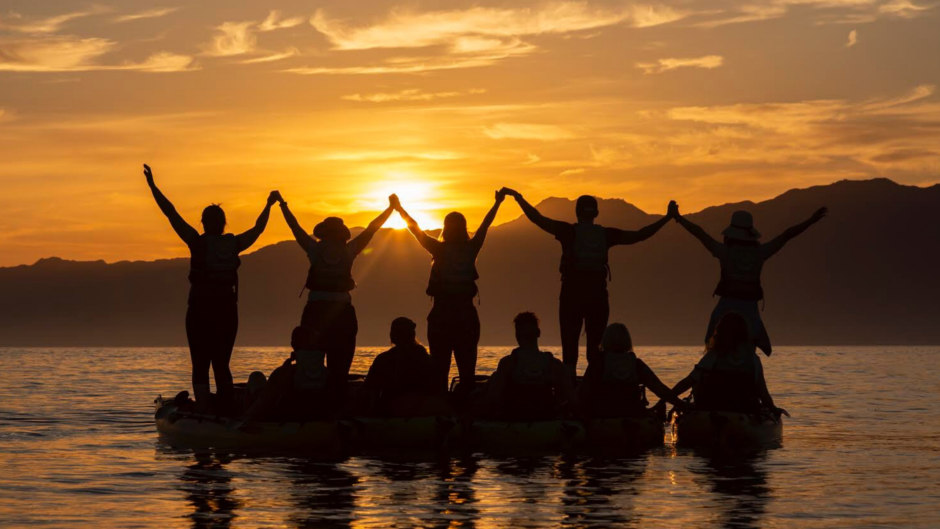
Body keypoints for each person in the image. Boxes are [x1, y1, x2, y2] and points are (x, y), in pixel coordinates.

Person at [144, 163, 277, 410]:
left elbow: (170, 213)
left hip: (200, 311)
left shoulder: (196, 242)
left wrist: (153, 186)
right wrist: (268, 205)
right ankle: (225, 406)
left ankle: (205, 406)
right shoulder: (233, 243)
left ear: (204, 222)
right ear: (223, 223)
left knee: (200, 363)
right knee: (221, 363)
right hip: (227, 311)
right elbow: (258, 229)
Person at [501, 188, 676, 374]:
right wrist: (667, 218)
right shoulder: (606, 235)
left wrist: (519, 199)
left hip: (571, 295)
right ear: (597, 213)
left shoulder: (568, 231)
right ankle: (594, 390)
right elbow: (639, 235)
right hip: (597, 296)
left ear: (576, 212)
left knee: (570, 349)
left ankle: (570, 394)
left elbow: (537, 218)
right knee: (595, 352)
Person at [276, 193, 396, 390]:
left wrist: (282, 205)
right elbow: (372, 229)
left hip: (316, 311)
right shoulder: (349, 250)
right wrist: (390, 208)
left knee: (310, 364)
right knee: (339, 367)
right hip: (342, 312)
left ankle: (313, 405)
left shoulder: (314, 249)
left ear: (323, 234)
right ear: (341, 235)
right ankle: (335, 406)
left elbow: (294, 227)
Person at [674, 205, 827, 355]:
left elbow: (700, 234)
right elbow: (786, 235)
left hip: (726, 305)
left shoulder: (724, 251)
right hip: (750, 309)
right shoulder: (760, 252)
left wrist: (679, 218)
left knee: (710, 341)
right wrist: (810, 221)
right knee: (758, 346)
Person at [395, 191, 506, 392]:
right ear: (464, 228)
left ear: (445, 229)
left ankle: (442, 410)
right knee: (467, 372)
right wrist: (497, 203)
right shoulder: (471, 248)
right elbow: (485, 225)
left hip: (441, 317)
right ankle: (465, 413)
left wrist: (399, 208)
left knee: (439, 370)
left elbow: (414, 229)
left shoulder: (438, 249)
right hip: (465, 317)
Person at [669, 313, 787, 416]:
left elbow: (689, 381)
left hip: (711, 407)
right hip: (743, 409)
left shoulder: (713, 356)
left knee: (699, 379)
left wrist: (665, 400)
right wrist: (773, 410)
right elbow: (763, 393)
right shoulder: (753, 360)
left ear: (719, 332)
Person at [478, 312, 575, 420]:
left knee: (492, 381)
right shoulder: (554, 365)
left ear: (517, 336)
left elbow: (493, 398)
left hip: (515, 418)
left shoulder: (507, 364)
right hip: (545, 418)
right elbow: (572, 399)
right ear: (538, 333)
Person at [578, 323, 689, 418]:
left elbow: (583, 392)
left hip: (603, 415)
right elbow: (659, 389)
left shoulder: (598, 364)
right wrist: (682, 405)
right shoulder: (636, 364)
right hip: (633, 415)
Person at [359, 317, 445, 417]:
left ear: (393, 336)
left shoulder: (384, 359)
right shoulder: (426, 359)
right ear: (413, 335)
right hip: (423, 410)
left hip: (395, 411)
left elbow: (369, 387)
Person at [245, 325, 331, 421]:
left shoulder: (285, 373)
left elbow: (263, 403)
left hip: (287, 420)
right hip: (319, 419)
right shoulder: (329, 375)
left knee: (256, 377)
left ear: (293, 345)